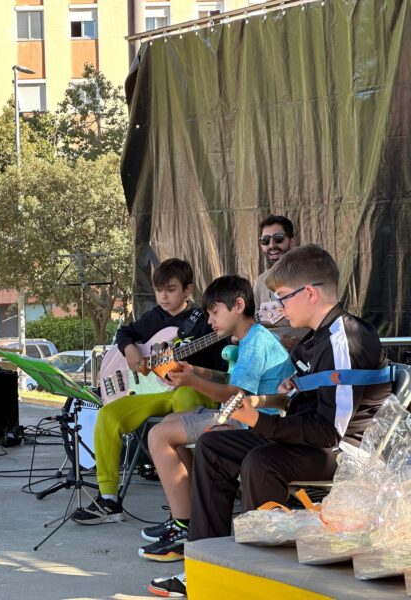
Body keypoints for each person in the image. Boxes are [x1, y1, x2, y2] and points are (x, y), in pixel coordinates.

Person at [150, 245, 391, 598]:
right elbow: (303, 401)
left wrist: (259, 421)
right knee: (215, 444)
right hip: (309, 440)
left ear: (309, 293)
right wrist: (286, 393)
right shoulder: (313, 339)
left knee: (261, 461)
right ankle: (205, 562)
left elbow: (331, 433)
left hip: (345, 453)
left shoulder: (345, 339)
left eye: (283, 297)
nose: (279, 307)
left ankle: (257, 576)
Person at [140, 275, 294, 562]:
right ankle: (187, 515)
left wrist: (191, 382)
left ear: (238, 305)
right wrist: (194, 372)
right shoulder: (251, 339)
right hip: (245, 415)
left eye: (214, 312)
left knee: (159, 435)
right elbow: (232, 381)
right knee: (168, 423)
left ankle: (183, 524)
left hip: (254, 423)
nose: (210, 320)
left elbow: (236, 395)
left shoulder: (257, 340)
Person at [72, 259, 229, 525]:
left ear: (188, 290)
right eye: (159, 290)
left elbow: (221, 369)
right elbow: (125, 333)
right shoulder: (154, 317)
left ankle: (190, 497)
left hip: (191, 389)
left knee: (185, 398)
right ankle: (108, 499)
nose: (163, 296)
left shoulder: (205, 322)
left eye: (171, 289)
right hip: (154, 392)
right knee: (108, 415)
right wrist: (131, 349)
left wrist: (196, 370)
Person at [253, 215, 308, 348]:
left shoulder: (308, 275)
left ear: (292, 242)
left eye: (278, 239)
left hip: (304, 353)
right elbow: (253, 323)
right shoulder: (261, 281)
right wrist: (274, 340)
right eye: (265, 240)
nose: (272, 245)